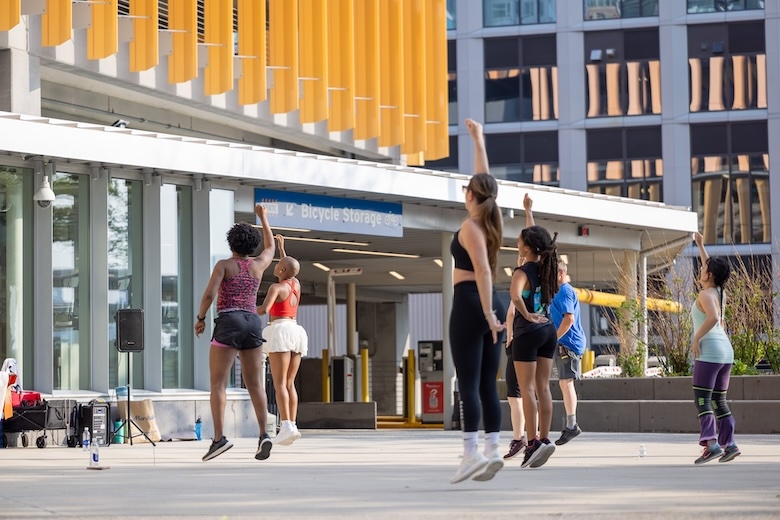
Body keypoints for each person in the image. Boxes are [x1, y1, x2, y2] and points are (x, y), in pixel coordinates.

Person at [448, 118, 506, 484]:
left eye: (467, 187)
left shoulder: (471, 227)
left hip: (473, 303)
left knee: (467, 381)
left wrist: (487, 314)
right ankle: (493, 448)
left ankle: (470, 454)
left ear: (472, 195)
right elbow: (484, 180)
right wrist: (478, 139)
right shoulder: (489, 217)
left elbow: (483, 271)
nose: (466, 189)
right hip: (491, 303)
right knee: (487, 382)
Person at [195, 205, 276, 462]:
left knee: (218, 384)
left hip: (229, 321)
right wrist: (263, 218)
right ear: (252, 246)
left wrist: (200, 319)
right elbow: (271, 248)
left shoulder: (224, 265)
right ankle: (264, 434)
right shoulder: (258, 266)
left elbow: (209, 294)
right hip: (253, 321)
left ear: (231, 243)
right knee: (255, 384)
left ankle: (219, 439)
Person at [524, 194, 587, 446]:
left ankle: (572, 425)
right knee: (561, 383)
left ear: (560, 272)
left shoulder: (566, 290)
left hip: (568, 342)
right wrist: (529, 211)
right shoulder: (554, 289)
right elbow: (540, 246)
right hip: (561, 341)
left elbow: (569, 319)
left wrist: (555, 338)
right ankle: (570, 424)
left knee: (564, 381)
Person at [510, 200, 559, 469]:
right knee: (543, 387)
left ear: (527, 247)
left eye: (520, 239)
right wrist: (528, 212)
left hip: (527, 331)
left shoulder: (522, 271)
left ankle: (531, 444)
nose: (518, 241)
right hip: (548, 330)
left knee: (526, 388)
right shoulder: (545, 268)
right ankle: (544, 438)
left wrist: (526, 314)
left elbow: (515, 296)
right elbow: (535, 235)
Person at [691, 231, 740, 464]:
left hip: (709, 351)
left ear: (709, 275)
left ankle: (711, 445)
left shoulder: (705, 294)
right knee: (719, 400)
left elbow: (712, 317)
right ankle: (729, 444)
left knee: (702, 398)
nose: (700, 270)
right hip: (725, 353)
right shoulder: (719, 291)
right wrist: (700, 245)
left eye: (703, 269)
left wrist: (696, 338)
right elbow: (708, 265)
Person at [257, 234, 308, 446]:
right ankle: (292, 424)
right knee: (289, 383)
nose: (276, 266)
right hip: (296, 330)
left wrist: (243, 307)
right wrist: (282, 249)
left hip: (279, 330)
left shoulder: (275, 288)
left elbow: (263, 310)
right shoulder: (295, 284)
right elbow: (290, 269)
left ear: (281, 271)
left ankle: (285, 425)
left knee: (278, 384)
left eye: (278, 265)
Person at [502, 302, 527, 460]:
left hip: (520, 341)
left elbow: (511, 313)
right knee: (530, 393)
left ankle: (518, 439)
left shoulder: (519, 287)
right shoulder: (542, 289)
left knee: (515, 396)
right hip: (538, 340)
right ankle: (534, 439)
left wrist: (509, 336)